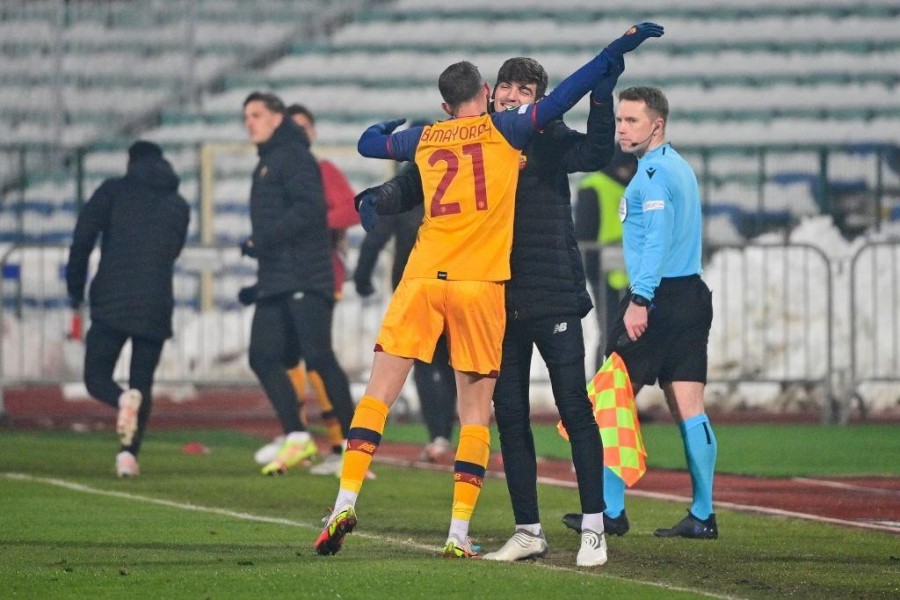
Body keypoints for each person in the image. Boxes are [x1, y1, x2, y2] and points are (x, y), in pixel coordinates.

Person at [315, 23, 663, 566]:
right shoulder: (502, 131)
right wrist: (381, 195)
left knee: (569, 405)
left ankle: (592, 527)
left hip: (530, 288)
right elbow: (412, 183)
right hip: (492, 292)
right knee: (501, 413)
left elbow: (596, 151)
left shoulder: (512, 135)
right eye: (507, 87)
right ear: (489, 93)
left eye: (526, 91)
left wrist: (601, 90)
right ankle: (512, 529)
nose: (513, 96)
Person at [562, 86, 718, 540]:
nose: (621, 128)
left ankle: (611, 510)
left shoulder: (651, 176)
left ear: (658, 124)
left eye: (632, 120)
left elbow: (657, 240)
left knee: (610, 396)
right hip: (691, 295)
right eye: (620, 119)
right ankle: (704, 514)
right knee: (690, 407)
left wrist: (641, 299)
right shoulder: (680, 168)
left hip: (658, 298)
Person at [240, 91, 355, 476]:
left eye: (256, 114)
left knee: (319, 358)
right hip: (277, 278)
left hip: (306, 275)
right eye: (246, 116)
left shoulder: (294, 157)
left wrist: (263, 240)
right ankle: (296, 436)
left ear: (276, 117)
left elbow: (309, 210)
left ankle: (356, 446)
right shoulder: (270, 159)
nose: (249, 122)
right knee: (263, 355)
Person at [65, 140, 189, 477]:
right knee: (142, 382)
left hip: (111, 300)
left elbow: (82, 240)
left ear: (130, 161)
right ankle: (128, 457)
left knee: (96, 377)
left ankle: (121, 401)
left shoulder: (112, 191)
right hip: (156, 301)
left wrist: (74, 291)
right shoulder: (179, 204)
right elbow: (172, 251)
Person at [353, 160, 457, 463]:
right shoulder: (458, 181)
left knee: (423, 362)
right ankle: (454, 433)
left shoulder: (404, 188)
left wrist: (362, 278)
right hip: (455, 285)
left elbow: (375, 238)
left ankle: (438, 435)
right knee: (452, 361)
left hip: (414, 288)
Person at [575, 148, 637, 370]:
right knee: (611, 332)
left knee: (628, 335)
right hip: (605, 274)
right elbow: (584, 235)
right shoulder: (594, 187)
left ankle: (620, 395)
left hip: (635, 274)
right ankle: (603, 395)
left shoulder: (638, 186)